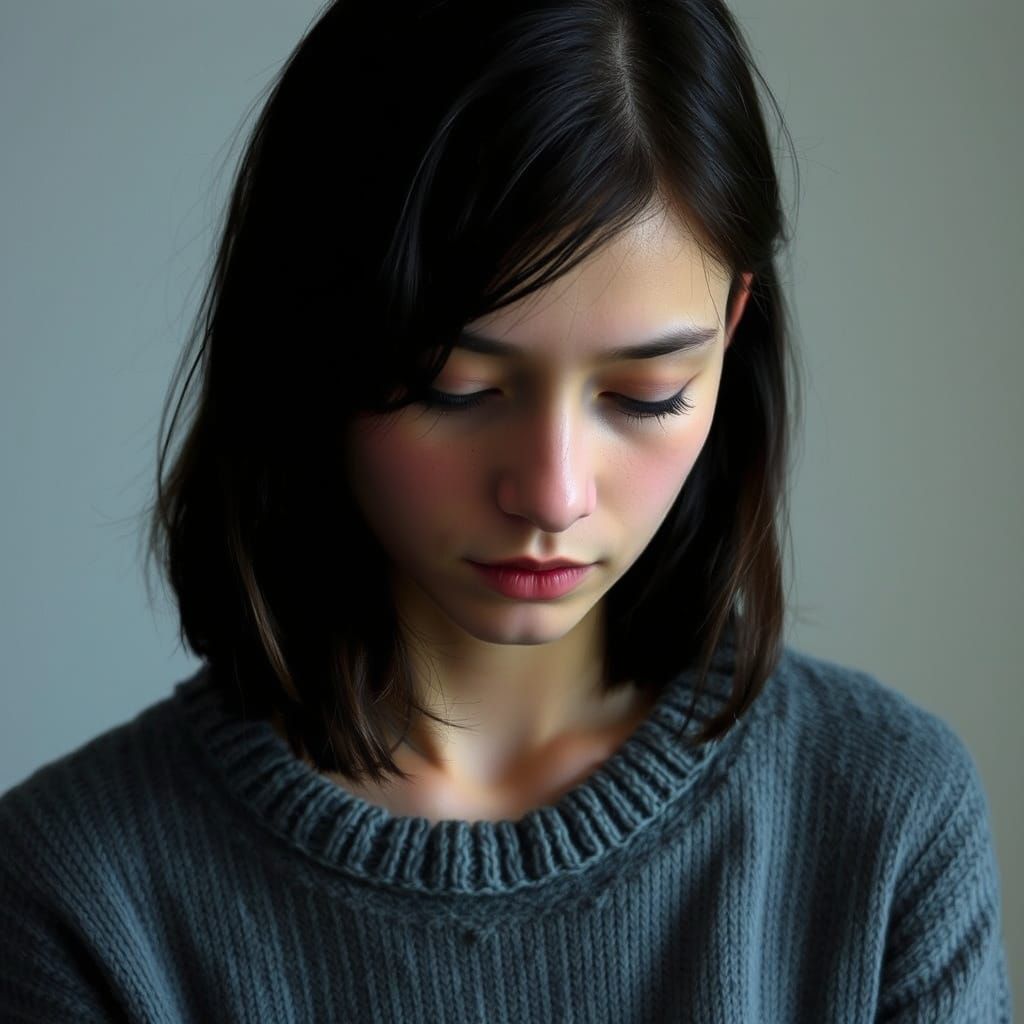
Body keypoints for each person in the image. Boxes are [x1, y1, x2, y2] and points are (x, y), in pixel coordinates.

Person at [0, 0, 1011, 1020]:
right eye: (455, 386)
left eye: (646, 394)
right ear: (312, 343)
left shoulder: (885, 821)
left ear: (732, 327)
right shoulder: (78, 895)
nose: (553, 493)